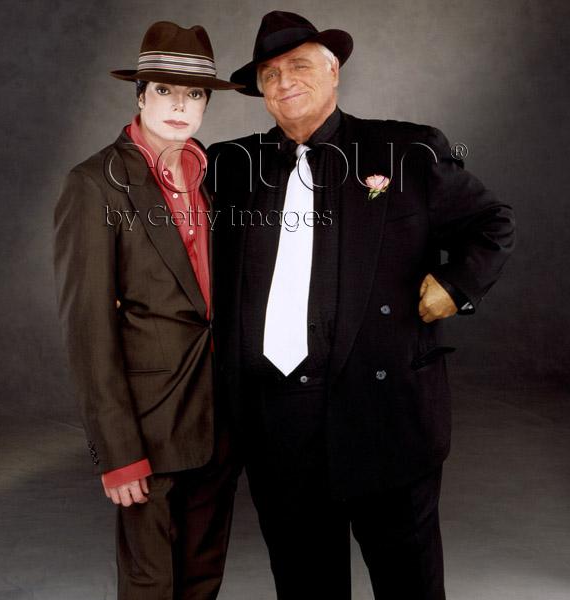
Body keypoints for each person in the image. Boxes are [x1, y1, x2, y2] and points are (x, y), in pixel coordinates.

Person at [207, 10, 516, 600]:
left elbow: (493, 222)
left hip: (385, 414)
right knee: (305, 586)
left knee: (408, 587)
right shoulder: (230, 166)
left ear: (334, 71)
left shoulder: (405, 150)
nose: (284, 82)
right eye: (270, 74)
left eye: (299, 65)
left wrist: (456, 286)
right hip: (276, 422)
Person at [54, 21, 243, 600]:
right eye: (164, 90)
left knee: (202, 577)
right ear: (140, 96)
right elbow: (88, 329)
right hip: (146, 425)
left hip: (218, 419)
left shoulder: (214, 178)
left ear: (206, 104)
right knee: (150, 583)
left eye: (194, 94)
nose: (179, 106)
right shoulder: (95, 184)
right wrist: (116, 452)